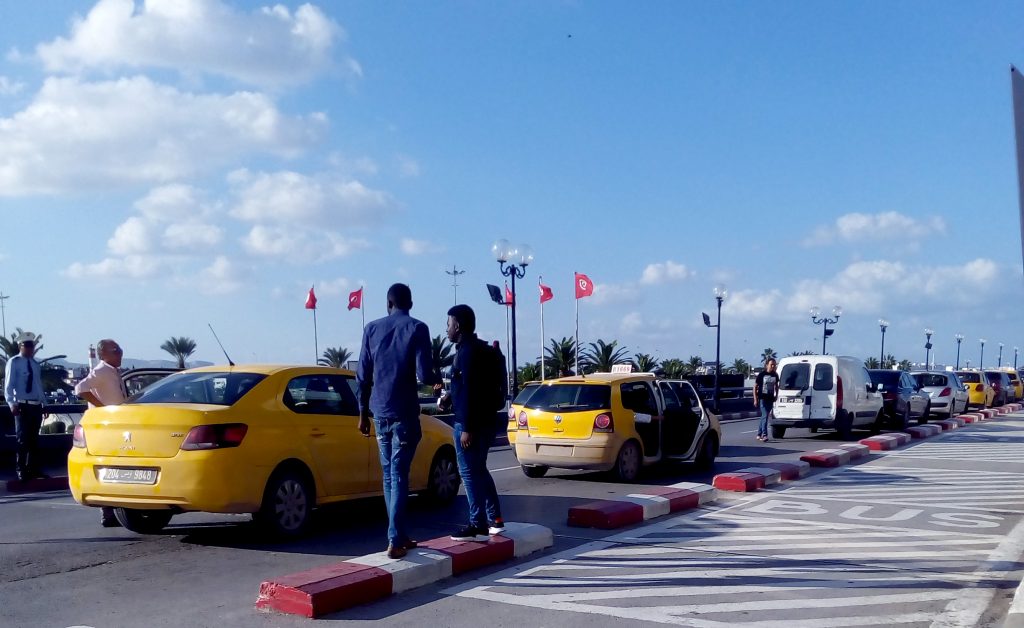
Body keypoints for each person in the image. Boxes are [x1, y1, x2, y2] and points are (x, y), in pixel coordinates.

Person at [357, 283, 440, 559]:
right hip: (404, 412)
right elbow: (424, 374)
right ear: (411, 304)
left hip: (379, 413)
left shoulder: (371, 329)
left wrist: (361, 414)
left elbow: (362, 375)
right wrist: (438, 379)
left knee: (389, 475)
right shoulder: (417, 328)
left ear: (388, 303)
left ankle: (399, 534)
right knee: (399, 473)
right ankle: (395, 537)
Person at [440, 304, 506, 542]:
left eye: (448, 324)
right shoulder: (480, 350)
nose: (446, 329)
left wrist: (466, 427)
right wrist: (448, 397)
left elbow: (470, 391)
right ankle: (495, 518)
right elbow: (468, 387)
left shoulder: (466, 353)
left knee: (468, 473)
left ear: (457, 325)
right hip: (487, 421)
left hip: (471, 425)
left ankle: (477, 523)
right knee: (479, 470)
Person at [73, 339, 127, 527]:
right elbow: (80, 389)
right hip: (105, 427)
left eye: (120, 349)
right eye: (115, 350)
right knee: (108, 467)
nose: (120, 353)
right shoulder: (101, 371)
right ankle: (107, 512)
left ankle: (117, 510)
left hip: (117, 426)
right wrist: (101, 408)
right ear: (102, 354)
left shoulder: (114, 372)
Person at [4, 331, 47, 481]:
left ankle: (33, 469)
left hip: (36, 405)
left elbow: (38, 385)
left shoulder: (35, 364)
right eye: (27, 346)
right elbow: (8, 385)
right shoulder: (14, 362)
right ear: (20, 346)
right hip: (22, 404)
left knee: (34, 439)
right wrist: (11, 403)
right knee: (22, 439)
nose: (30, 349)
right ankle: (21, 469)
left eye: (32, 346)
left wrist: (44, 403)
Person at [753, 358, 779, 442]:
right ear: (767, 365)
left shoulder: (775, 375)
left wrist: (776, 396)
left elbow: (776, 386)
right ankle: (764, 435)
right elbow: (755, 387)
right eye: (771, 364)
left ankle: (758, 433)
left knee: (765, 416)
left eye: (774, 365)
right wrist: (755, 399)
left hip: (770, 398)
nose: (773, 366)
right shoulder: (762, 375)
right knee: (765, 416)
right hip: (762, 398)